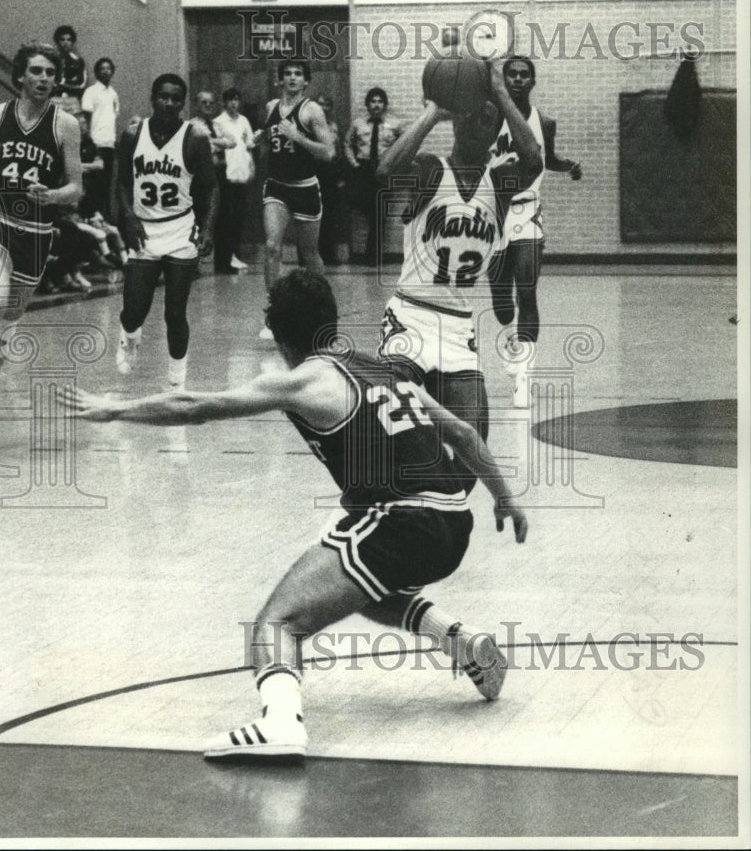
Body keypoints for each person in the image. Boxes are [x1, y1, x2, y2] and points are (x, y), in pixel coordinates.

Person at [59, 269, 528, 760]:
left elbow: (196, 405)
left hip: (404, 521)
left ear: (281, 338)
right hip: (454, 521)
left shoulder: (304, 380)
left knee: (277, 622)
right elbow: (465, 435)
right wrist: (505, 498)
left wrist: (116, 411)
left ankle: (280, 723)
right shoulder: (385, 370)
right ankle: (462, 641)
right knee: (352, 591)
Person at [375, 59, 542, 460]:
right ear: (458, 120)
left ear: (495, 125)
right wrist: (432, 112)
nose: (478, 122)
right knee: (391, 435)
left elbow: (534, 160)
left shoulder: (501, 183)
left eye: (489, 118)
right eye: (471, 114)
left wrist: (501, 93)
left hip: (457, 327)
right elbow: (384, 171)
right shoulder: (432, 170)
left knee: (472, 444)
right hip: (409, 317)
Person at [0, 42, 82, 439]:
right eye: (36, 71)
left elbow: (75, 189)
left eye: (50, 73)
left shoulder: (65, 124)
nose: (44, 79)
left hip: (35, 231)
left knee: (9, 324)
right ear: (19, 75)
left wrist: (51, 196)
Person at [488, 56, 582, 407]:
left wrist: (567, 165)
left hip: (527, 210)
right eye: (511, 73)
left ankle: (524, 373)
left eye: (523, 74)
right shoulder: (489, 116)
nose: (516, 78)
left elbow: (548, 158)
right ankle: (511, 341)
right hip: (492, 212)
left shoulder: (545, 121)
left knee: (526, 293)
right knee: (502, 307)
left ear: (533, 81)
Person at [115, 74, 219, 389]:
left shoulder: (196, 137)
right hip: (144, 231)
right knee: (133, 310)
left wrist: (208, 229)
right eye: (163, 96)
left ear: (183, 103)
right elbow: (121, 182)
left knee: (175, 313)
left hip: (180, 230)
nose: (169, 103)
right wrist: (129, 218)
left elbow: (213, 188)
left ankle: (177, 381)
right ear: (152, 97)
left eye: (176, 98)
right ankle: (130, 338)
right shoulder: (133, 134)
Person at [257, 60, 334, 340]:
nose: (292, 77)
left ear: (306, 81)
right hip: (277, 187)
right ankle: (272, 314)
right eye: (287, 73)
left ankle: (324, 308)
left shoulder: (312, 110)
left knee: (309, 253)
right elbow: (272, 137)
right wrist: (261, 137)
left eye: (297, 74)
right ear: (280, 80)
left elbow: (328, 152)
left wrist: (298, 137)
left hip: (305, 187)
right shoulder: (271, 107)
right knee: (271, 247)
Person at [343, 88, 404, 266]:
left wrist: (396, 166)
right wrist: (354, 163)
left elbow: (404, 146)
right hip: (363, 170)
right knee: (367, 208)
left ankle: (372, 256)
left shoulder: (395, 124)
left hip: (384, 170)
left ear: (384, 104)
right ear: (367, 104)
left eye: (379, 101)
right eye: (373, 101)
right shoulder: (357, 124)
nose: (376, 105)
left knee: (380, 213)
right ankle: (372, 254)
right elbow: (347, 144)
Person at [189, 90, 237, 274]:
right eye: (203, 102)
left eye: (210, 102)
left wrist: (213, 141)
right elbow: (201, 145)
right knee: (199, 218)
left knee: (224, 217)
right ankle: (193, 264)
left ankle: (223, 263)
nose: (208, 106)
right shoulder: (191, 125)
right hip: (200, 177)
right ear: (196, 105)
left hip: (219, 173)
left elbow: (232, 141)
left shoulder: (216, 125)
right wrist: (216, 143)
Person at [214, 87, 261, 271]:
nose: (234, 103)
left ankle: (235, 254)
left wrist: (256, 140)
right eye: (230, 100)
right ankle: (227, 256)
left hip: (242, 173)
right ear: (224, 102)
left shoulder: (244, 120)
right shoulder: (218, 122)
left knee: (239, 217)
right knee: (226, 217)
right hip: (226, 174)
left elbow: (249, 143)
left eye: (236, 99)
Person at [81, 57, 120, 221]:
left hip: (109, 144)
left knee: (105, 185)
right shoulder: (91, 91)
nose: (106, 71)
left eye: (108, 68)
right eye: (102, 68)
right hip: (95, 143)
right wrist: (90, 141)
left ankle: (104, 219)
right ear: (97, 72)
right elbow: (86, 116)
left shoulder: (113, 93)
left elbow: (114, 116)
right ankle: (92, 218)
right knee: (93, 185)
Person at [315, 94, 348, 266]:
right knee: (314, 214)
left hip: (331, 170)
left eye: (327, 104)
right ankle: (313, 254)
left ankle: (328, 254)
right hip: (316, 169)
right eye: (320, 104)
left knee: (330, 214)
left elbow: (338, 149)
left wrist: (340, 175)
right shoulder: (310, 124)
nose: (324, 108)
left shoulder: (334, 126)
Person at [51, 25, 87, 114]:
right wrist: (70, 82)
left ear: (72, 42)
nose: (65, 43)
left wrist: (62, 82)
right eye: (62, 39)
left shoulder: (78, 61)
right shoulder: (50, 59)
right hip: (53, 99)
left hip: (71, 101)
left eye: (69, 39)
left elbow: (81, 83)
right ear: (57, 41)